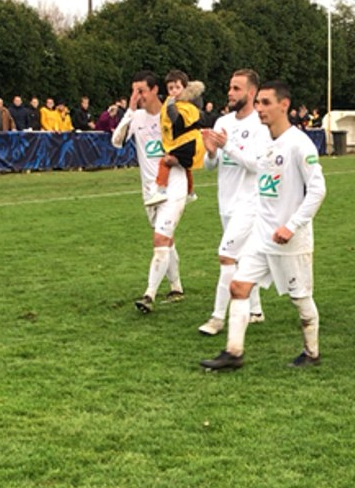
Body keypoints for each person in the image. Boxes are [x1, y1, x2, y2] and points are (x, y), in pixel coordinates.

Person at [200, 80, 326, 371]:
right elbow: (254, 166)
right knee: (239, 286)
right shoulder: (266, 143)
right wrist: (223, 147)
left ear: (284, 105)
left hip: (290, 239)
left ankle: (312, 352)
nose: (260, 108)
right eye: (258, 103)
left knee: (300, 298)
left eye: (266, 103)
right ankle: (233, 352)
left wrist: (291, 226)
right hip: (262, 235)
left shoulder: (299, 144)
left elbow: (318, 190)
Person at [196, 68, 269, 336]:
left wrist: (227, 146)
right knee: (244, 258)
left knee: (226, 256)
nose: (230, 93)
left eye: (236, 88)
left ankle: (217, 318)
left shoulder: (260, 124)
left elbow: (256, 165)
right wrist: (211, 153)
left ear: (251, 92)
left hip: (250, 203)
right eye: (230, 87)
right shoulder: (222, 122)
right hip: (226, 201)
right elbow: (210, 165)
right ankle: (256, 310)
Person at [110, 70, 187, 313]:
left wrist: (178, 158)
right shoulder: (137, 117)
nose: (137, 95)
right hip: (150, 190)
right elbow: (117, 141)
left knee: (160, 239)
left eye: (141, 91)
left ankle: (149, 295)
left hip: (174, 184)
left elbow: (191, 142)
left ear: (154, 90)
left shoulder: (172, 113)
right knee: (166, 238)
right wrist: (130, 110)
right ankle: (176, 288)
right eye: (134, 91)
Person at [144, 70, 204, 206]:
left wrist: (171, 107)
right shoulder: (173, 102)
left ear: (185, 88)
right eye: (171, 88)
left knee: (165, 161)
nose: (174, 91)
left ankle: (161, 191)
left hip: (188, 143)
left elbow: (179, 122)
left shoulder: (187, 105)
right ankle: (190, 192)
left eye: (177, 87)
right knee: (185, 167)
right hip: (185, 143)